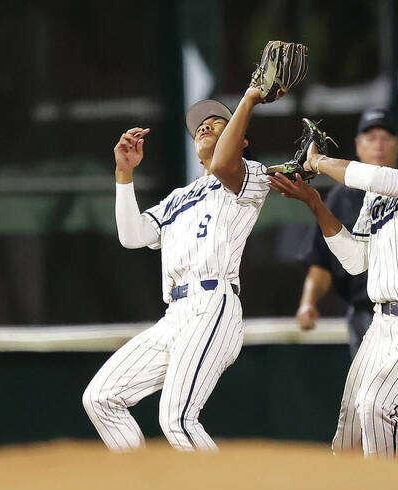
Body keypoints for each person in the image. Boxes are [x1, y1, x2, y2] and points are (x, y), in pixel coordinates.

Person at [269, 98, 398, 458]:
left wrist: (318, 161)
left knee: (376, 406)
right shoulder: (381, 195)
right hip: (381, 328)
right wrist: (316, 205)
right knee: (348, 435)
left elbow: (375, 175)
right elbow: (356, 260)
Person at [83, 87, 272, 452]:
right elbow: (132, 236)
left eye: (218, 123)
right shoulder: (178, 198)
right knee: (101, 397)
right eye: (200, 125)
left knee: (177, 419)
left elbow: (222, 165)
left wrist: (248, 100)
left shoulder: (250, 175)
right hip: (175, 315)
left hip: (213, 304)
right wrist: (124, 174)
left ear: (240, 140)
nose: (204, 126)